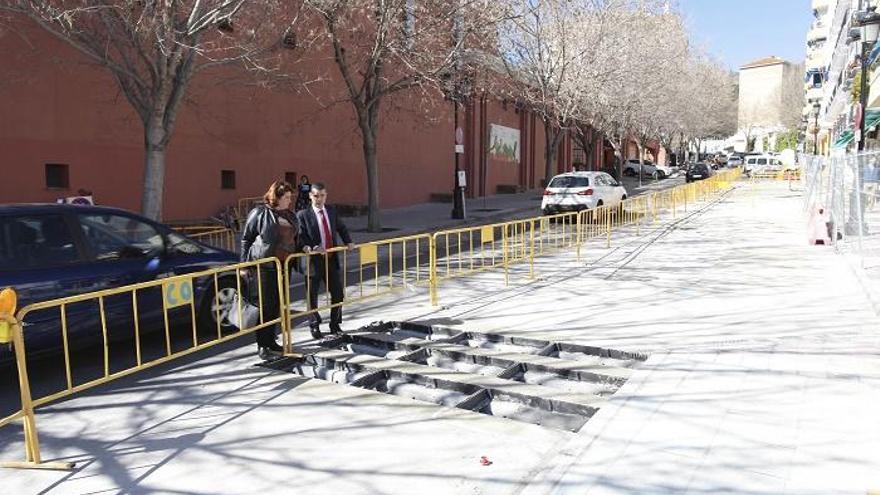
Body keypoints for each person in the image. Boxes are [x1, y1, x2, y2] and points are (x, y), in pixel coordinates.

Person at [241, 180, 296, 360]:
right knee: (265, 306)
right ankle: (262, 345)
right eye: (286, 197)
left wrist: (306, 248)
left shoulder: (289, 215)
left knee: (276, 305)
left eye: (290, 197)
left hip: (283, 266)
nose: (290, 200)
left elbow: (296, 238)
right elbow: (246, 239)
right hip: (264, 266)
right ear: (277, 197)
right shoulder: (260, 213)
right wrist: (244, 266)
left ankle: (271, 340)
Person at [296, 182, 354, 339]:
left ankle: (335, 325)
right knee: (312, 296)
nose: (319, 199)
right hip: (313, 262)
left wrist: (348, 241)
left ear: (326, 196)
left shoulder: (331, 211)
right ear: (310, 196)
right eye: (316, 196)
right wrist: (310, 247)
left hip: (330, 258)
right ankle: (314, 325)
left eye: (322, 196)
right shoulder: (303, 215)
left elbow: (341, 227)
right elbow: (301, 236)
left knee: (337, 294)